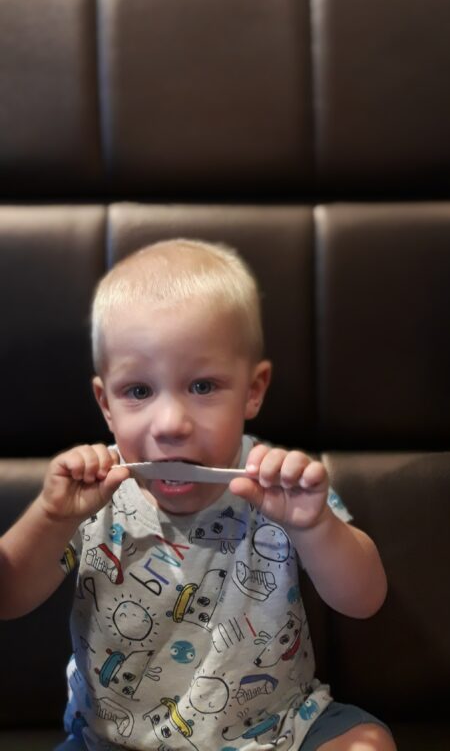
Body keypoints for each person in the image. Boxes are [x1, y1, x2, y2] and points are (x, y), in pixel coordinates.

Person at [0, 238, 396, 751]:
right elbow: (8, 597)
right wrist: (51, 518)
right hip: (113, 742)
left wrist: (315, 527)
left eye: (203, 386)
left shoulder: (279, 484)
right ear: (106, 404)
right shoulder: (91, 493)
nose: (170, 424)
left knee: (367, 744)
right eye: (139, 391)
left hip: (276, 730)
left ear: (253, 390)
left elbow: (364, 601)